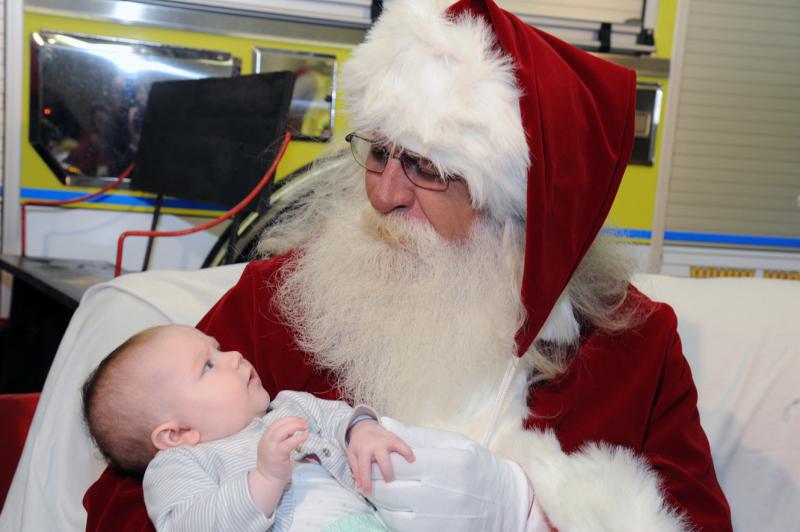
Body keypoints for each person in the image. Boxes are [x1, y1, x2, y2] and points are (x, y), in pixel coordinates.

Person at [84, 1, 733, 530]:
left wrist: (529, 513)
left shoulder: (635, 351)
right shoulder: (276, 304)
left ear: (524, 206)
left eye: (425, 167)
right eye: (378, 154)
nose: (385, 193)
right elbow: (121, 508)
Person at [82, 325, 417, 531]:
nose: (235, 355)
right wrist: (264, 480)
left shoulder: (291, 407)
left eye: (218, 347)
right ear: (178, 434)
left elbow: (340, 418)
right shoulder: (179, 464)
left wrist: (363, 429)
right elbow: (190, 525)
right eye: (208, 366)